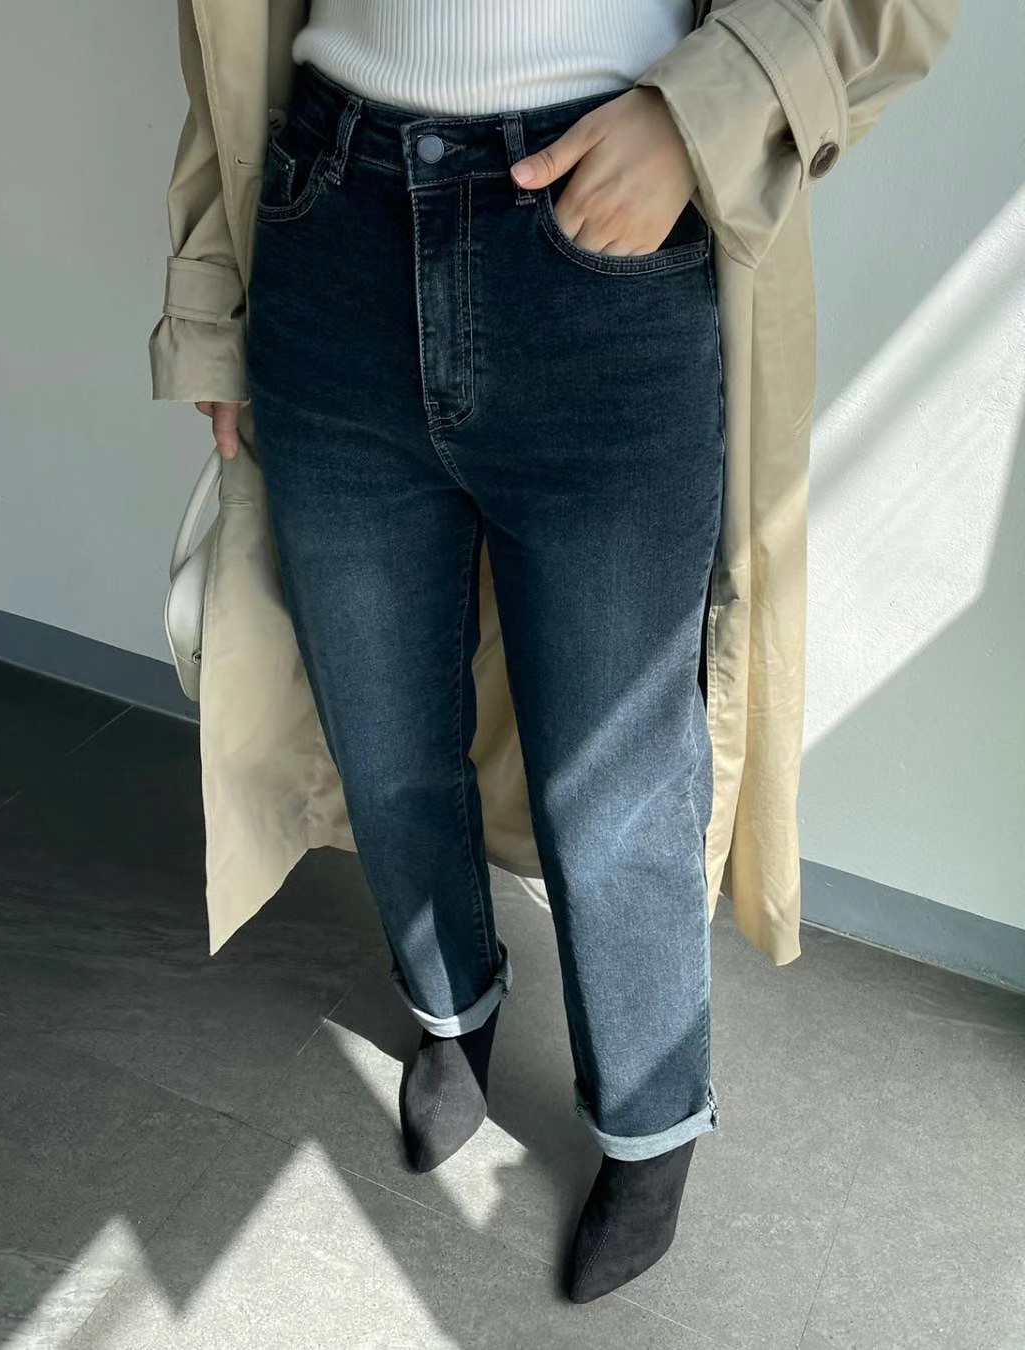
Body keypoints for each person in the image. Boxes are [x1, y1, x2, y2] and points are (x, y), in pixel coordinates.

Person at [153, 0, 960, 1308]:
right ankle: (450, 1007)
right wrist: (210, 296)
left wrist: (699, 116)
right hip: (327, 218)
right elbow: (217, 47)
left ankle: (650, 1119)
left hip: (608, 254)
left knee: (618, 779)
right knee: (378, 726)